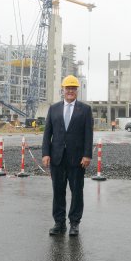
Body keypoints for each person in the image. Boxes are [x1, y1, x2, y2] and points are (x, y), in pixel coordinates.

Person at [42, 75, 93, 236]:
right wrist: (45, 153)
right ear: (62, 90)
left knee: (77, 191)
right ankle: (59, 223)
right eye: (68, 88)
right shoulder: (54, 108)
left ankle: (74, 223)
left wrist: (87, 155)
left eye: (73, 88)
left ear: (77, 90)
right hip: (57, 157)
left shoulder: (85, 110)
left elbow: (88, 135)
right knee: (58, 191)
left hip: (77, 159)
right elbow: (47, 133)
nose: (70, 91)